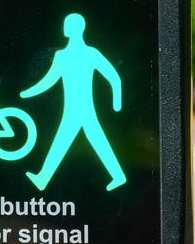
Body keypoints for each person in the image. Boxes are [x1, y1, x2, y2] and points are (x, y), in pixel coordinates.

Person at [21, 13, 126, 191]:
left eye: (68, 25)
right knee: (80, 141)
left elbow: (114, 77)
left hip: (82, 109)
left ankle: (44, 178)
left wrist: (117, 101)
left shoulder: (89, 53)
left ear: (77, 28)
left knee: (77, 141)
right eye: (65, 24)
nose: (65, 27)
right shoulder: (62, 55)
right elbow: (49, 80)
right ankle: (118, 176)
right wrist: (29, 92)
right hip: (74, 109)